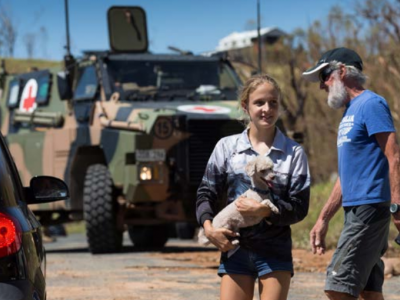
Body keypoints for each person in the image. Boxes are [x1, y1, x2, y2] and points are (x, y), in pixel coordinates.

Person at [196, 74, 310, 300]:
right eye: (259, 102)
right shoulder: (226, 148)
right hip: (235, 250)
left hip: (275, 252)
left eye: (273, 102)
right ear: (245, 107)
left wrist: (264, 211)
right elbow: (206, 193)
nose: (267, 109)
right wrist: (209, 229)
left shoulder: (294, 153)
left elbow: (299, 207)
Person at [302, 47, 400, 300]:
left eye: (325, 76)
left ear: (342, 71)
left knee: (337, 286)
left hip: (369, 208)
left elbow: (394, 156)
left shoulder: (372, 104)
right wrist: (323, 218)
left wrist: (397, 206)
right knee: (369, 290)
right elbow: (347, 176)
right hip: (355, 210)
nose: (322, 85)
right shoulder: (349, 113)